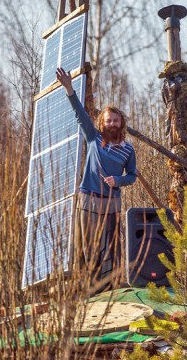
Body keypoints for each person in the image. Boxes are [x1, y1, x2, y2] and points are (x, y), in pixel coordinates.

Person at [56, 67, 137, 291]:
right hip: (88, 199)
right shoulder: (93, 138)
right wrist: (69, 89)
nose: (112, 124)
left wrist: (118, 181)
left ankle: (109, 286)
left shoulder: (128, 150)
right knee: (87, 244)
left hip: (111, 202)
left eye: (116, 121)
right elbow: (80, 114)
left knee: (110, 246)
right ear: (102, 123)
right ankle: (87, 288)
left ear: (121, 124)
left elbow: (132, 176)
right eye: (108, 120)